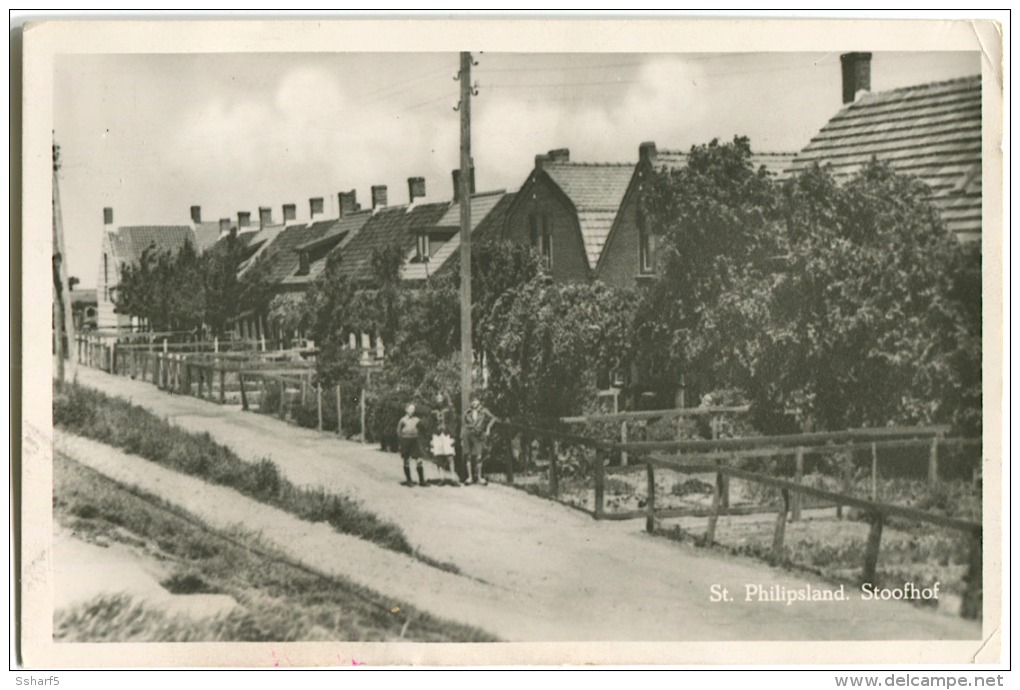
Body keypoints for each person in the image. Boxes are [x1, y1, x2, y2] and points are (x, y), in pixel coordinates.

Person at [463, 395, 496, 485]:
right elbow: (464, 424)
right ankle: (469, 477)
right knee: (468, 456)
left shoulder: (483, 411)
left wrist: (488, 427)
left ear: (479, 401)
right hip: (468, 434)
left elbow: (493, 418)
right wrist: (462, 437)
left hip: (478, 435)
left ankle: (479, 477)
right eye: (472, 401)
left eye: (475, 400)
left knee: (479, 456)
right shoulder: (467, 412)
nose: (473, 403)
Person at [430, 392, 457, 486]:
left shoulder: (449, 409)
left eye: (441, 398)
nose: (439, 400)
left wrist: (453, 436)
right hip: (437, 435)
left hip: (447, 434)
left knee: (450, 456)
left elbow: (453, 423)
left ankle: (453, 478)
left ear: (444, 399)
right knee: (439, 456)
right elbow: (431, 424)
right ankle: (441, 478)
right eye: (437, 398)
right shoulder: (433, 410)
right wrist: (431, 439)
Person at [397, 403, 425, 487]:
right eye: (410, 409)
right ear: (406, 410)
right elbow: (398, 432)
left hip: (415, 440)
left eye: (413, 409)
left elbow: (422, 429)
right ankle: (409, 480)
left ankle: (422, 480)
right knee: (406, 460)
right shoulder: (402, 420)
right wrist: (401, 443)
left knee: (419, 460)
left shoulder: (417, 420)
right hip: (405, 440)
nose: (412, 411)